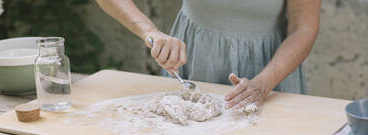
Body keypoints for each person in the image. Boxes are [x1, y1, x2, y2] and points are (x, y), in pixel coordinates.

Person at [96, 0, 320, 110]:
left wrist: (264, 83)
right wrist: (149, 31)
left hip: (271, 72)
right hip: (195, 62)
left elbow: (304, 28)